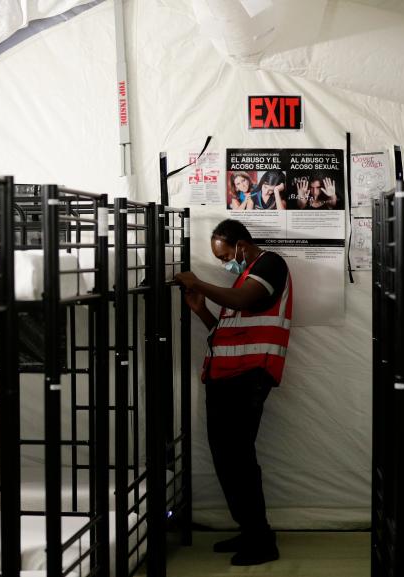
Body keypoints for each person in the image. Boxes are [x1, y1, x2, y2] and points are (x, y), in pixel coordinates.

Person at [173, 219, 293, 566]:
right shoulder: (243, 277)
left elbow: (245, 299)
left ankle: (261, 539)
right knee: (228, 459)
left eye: (226, 256)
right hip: (228, 378)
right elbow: (228, 332)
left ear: (241, 246)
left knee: (238, 459)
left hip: (248, 377)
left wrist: (199, 283)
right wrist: (202, 311)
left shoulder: (270, 264)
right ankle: (250, 529)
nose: (226, 264)